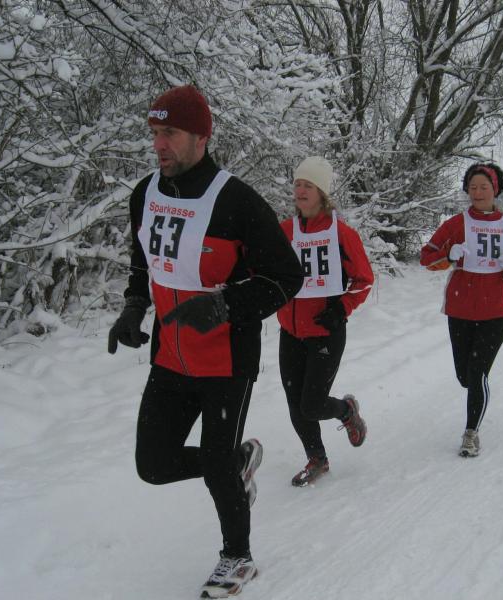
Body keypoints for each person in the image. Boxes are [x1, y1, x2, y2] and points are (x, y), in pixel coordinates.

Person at [107, 85, 303, 599]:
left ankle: (238, 557)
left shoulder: (236, 201)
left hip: (226, 360)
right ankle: (233, 465)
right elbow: (142, 259)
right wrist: (134, 305)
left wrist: (224, 305)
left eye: (169, 133)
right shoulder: (144, 194)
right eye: (154, 133)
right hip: (170, 356)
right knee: (153, 465)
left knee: (215, 464)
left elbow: (287, 277)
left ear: (201, 136)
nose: (159, 144)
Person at [420, 162, 503, 457]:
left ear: (495, 190)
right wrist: (448, 255)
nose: (478, 192)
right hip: (460, 309)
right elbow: (427, 257)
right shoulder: (456, 224)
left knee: (477, 373)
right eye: (472, 187)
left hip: (495, 312)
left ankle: (471, 433)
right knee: (465, 376)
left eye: (484, 187)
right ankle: (474, 401)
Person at [276, 157, 374, 487]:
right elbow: (267, 270)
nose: (301, 190)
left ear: (322, 192)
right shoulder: (285, 231)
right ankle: (317, 458)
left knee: (313, 405)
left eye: (309, 185)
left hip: (325, 332)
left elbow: (364, 279)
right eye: (297, 184)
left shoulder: (341, 234)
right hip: (290, 332)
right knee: (296, 406)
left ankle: (347, 411)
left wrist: (341, 308)